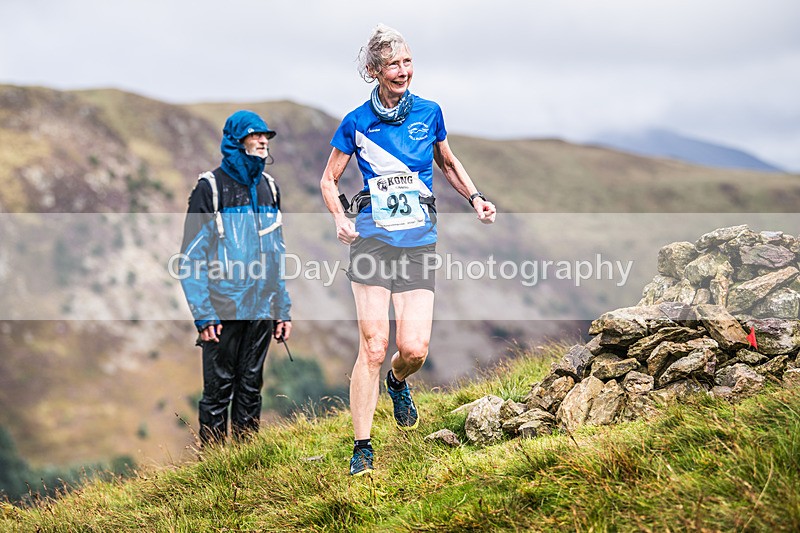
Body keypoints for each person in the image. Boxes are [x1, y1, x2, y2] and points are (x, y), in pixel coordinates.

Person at [320, 24, 496, 476]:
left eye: (408, 62)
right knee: (374, 346)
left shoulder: (430, 112)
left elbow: (448, 162)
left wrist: (475, 198)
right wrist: (341, 218)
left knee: (412, 349)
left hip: (418, 240)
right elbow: (329, 179)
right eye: (394, 64)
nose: (404, 71)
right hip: (372, 239)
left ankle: (399, 382)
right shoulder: (356, 122)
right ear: (374, 70)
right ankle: (362, 448)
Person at [179, 110, 292, 445]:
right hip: (222, 308)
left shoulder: (270, 188)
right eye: (254, 135)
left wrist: (281, 308)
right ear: (235, 140)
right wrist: (204, 315)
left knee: (251, 386)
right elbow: (191, 259)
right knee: (218, 391)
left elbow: (276, 254)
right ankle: (213, 467)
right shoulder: (209, 188)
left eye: (265, 136)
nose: (262, 141)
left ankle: (245, 460)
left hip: (260, 308)